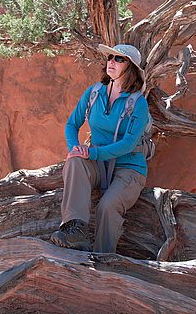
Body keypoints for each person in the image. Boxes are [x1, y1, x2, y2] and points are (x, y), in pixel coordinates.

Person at [51, 43, 149, 253]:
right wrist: (75, 148)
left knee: (107, 206)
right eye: (110, 57)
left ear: (130, 67)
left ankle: (103, 260)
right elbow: (72, 124)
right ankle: (74, 229)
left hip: (129, 169)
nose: (111, 61)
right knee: (75, 161)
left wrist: (93, 152)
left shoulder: (138, 103)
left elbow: (129, 144)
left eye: (118, 59)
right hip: (97, 163)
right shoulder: (94, 92)